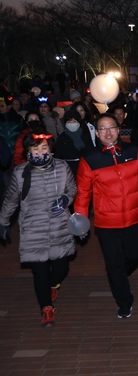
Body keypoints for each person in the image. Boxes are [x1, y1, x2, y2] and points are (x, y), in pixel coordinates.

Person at [75, 113, 138, 319]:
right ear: (97, 133)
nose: (108, 132)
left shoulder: (133, 151)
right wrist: (80, 220)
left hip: (133, 218)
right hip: (107, 222)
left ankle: (117, 277)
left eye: (112, 127)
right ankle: (124, 301)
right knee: (114, 263)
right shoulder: (90, 159)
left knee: (134, 256)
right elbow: (83, 193)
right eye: (103, 129)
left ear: (118, 129)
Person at [0, 129, 77, 327]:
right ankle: (46, 308)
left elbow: (72, 188)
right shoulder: (20, 173)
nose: (40, 152)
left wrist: (66, 198)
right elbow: (11, 200)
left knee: (61, 267)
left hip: (60, 225)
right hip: (33, 228)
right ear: (28, 151)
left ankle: (53, 284)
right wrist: (4, 221)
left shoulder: (62, 167)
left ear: (50, 150)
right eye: (35, 149)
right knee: (40, 271)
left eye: (44, 148)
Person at [54, 109, 95, 175]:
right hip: (68, 169)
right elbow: (58, 156)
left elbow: (91, 151)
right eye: (69, 122)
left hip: (84, 168)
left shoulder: (85, 135)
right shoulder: (62, 137)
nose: (72, 123)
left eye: (74, 121)